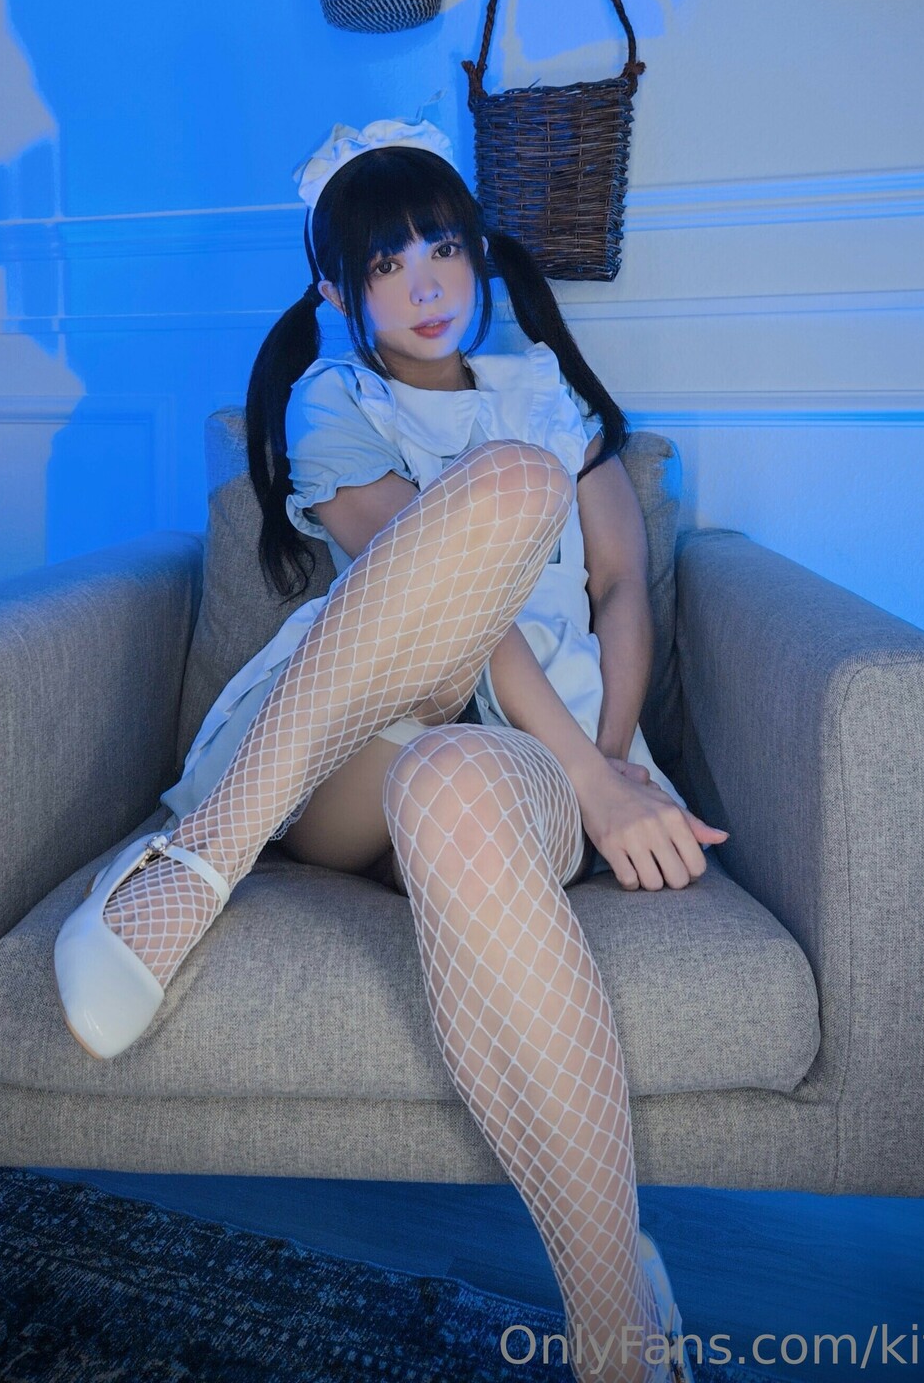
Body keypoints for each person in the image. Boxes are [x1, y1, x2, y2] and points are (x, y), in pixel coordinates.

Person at [55, 115, 730, 1383]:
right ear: (335, 292)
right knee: (507, 497)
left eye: (442, 248)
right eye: (383, 263)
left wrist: (608, 763)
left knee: (454, 777)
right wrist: (590, 774)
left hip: (508, 766)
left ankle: (615, 1336)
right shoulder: (336, 404)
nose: (424, 283)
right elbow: (459, 621)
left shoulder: (551, 397)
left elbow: (623, 588)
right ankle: (202, 863)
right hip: (349, 741)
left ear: (478, 254)